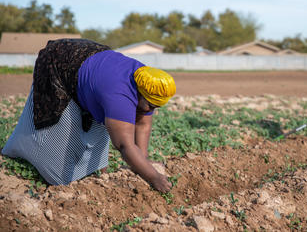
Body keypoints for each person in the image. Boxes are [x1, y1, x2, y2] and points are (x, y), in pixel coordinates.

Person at [1, 38, 176, 192]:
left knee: (104, 121)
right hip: (61, 60)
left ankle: (95, 170)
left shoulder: (150, 82)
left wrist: (143, 162)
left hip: (94, 62)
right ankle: (21, 154)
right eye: (151, 105)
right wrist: (154, 178)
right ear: (139, 92)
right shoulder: (119, 96)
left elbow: (143, 124)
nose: (151, 110)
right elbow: (124, 146)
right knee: (57, 124)